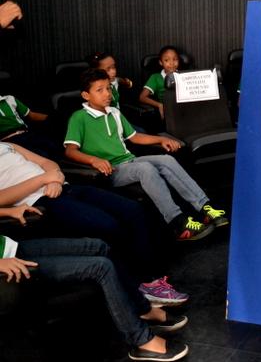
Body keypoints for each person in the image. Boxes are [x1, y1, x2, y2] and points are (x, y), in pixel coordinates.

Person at [0, 141, 187, 305]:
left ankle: (151, 280)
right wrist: (42, 180)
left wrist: (53, 179)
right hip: (40, 203)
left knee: (133, 210)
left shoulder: (8, 146)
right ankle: (138, 288)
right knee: (108, 226)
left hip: (62, 187)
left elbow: (46, 163)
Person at [0, 207, 189, 362]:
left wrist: (7, 211)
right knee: (101, 267)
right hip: (6, 267)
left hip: (9, 247)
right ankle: (141, 340)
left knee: (99, 246)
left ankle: (143, 309)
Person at [64, 68, 227, 241]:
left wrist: (160, 140)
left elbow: (135, 137)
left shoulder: (114, 112)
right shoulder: (79, 118)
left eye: (108, 88)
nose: (107, 93)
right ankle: (178, 223)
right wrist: (93, 160)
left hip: (130, 161)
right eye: (100, 90)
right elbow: (70, 151)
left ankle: (205, 207)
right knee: (145, 168)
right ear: (86, 95)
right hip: (111, 170)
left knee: (167, 160)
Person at [0, 92, 59, 159]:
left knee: (53, 147)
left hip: (26, 133)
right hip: (10, 141)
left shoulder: (9, 99)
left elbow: (31, 115)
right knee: (41, 155)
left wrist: (55, 118)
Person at [139, 46, 180, 119]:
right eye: (167, 60)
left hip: (183, 108)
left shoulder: (183, 75)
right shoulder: (155, 77)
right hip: (168, 109)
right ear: (161, 62)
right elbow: (142, 97)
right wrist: (159, 105)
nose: (172, 63)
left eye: (175, 59)